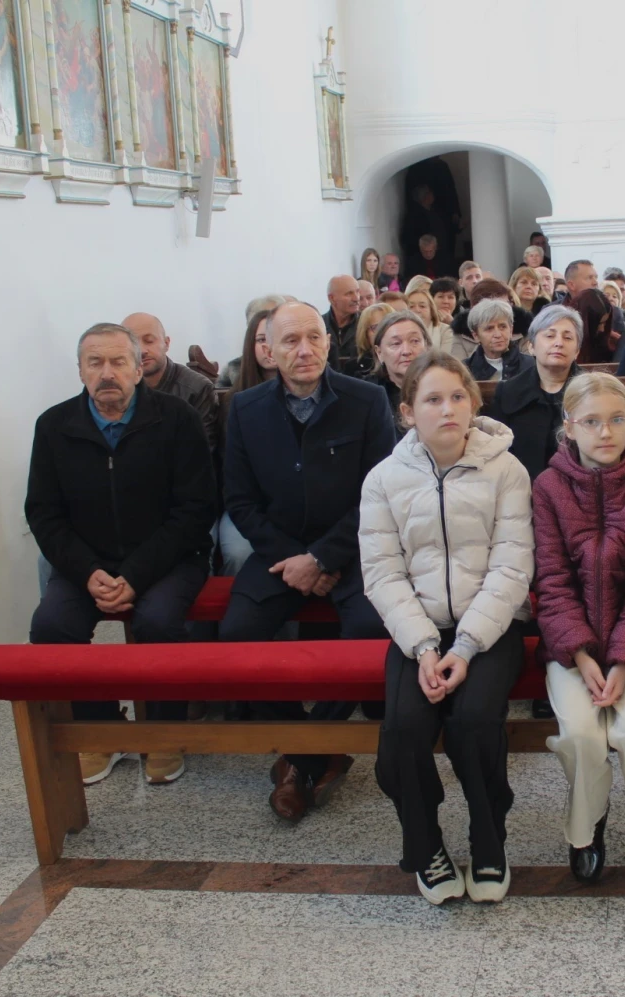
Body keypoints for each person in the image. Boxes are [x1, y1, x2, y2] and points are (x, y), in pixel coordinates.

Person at [360, 352, 533, 905]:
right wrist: (425, 646)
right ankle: (426, 843)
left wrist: (465, 645)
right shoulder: (384, 479)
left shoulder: (506, 469)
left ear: (473, 404)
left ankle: (488, 838)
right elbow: (383, 572)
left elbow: (512, 566)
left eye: (458, 397)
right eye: (432, 399)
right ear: (409, 411)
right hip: (419, 632)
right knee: (404, 730)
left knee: (476, 720)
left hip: (491, 627)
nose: (448, 408)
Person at [220, 302, 396, 823]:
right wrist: (293, 561)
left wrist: (322, 557)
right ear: (268, 350)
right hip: (278, 553)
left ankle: (303, 757)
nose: (304, 350)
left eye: (314, 338)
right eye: (290, 340)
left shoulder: (366, 401)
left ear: (329, 343)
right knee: (235, 637)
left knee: (368, 628)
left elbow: (378, 494)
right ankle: (316, 748)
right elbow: (239, 500)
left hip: (354, 549)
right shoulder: (245, 408)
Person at [27, 323, 215, 786]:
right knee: (51, 626)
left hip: (169, 558)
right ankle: (102, 728)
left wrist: (133, 574)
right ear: (80, 370)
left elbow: (195, 509)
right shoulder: (54, 426)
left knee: (157, 621)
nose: (107, 373)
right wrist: (88, 572)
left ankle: (165, 733)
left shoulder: (175, 419)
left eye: (117, 362)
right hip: (85, 563)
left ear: (138, 367)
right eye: (95, 363)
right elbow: (44, 514)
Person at [532, 373, 625, 883]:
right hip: (571, 648)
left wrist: (622, 659)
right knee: (582, 734)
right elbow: (551, 581)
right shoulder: (547, 487)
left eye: (617, 419)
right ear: (568, 427)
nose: (606, 432)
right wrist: (583, 656)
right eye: (591, 421)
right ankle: (586, 826)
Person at [217, 309, 280, 576]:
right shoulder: (235, 401)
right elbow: (233, 474)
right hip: (247, 505)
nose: (269, 348)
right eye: (261, 339)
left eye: (277, 338)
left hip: (292, 506)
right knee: (238, 553)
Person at [486, 304, 582, 481]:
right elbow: (496, 452)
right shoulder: (508, 391)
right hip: (520, 488)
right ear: (531, 347)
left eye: (567, 337)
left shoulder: (591, 392)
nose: (558, 343)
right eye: (550, 335)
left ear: (577, 351)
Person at [123, 312, 218, 451]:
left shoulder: (196, 388)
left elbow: (202, 453)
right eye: (133, 344)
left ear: (166, 343)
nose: (142, 351)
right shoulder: (120, 388)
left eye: (149, 341)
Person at [365, 311, 431, 436]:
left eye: (415, 341)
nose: (406, 351)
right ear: (379, 353)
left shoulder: (443, 385)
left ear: (426, 346)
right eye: (396, 343)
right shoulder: (367, 394)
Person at [465, 298, 534, 382]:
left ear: (511, 330)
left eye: (503, 327)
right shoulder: (465, 369)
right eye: (489, 329)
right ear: (476, 335)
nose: (498, 335)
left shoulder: (531, 365)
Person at [345, 302, 395, 378]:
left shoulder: (406, 359)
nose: (382, 331)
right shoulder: (353, 368)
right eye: (375, 327)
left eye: (386, 325)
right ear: (365, 333)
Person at [323, 275, 361, 371]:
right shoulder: (319, 325)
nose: (356, 298)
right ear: (332, 298)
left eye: (357, 292)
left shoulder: (366, 323)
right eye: (349, 294)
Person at [570, 287, 616, 363]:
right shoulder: (566, 344)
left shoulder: (613, 342)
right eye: (598, 324)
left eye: (605, 323)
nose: (602, 329)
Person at [405, 285, 455, 354]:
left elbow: (444, 360)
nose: (417, 310)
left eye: (422, 306)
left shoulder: (445, 331)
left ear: (431, 310)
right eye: (411, 306)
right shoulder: (399, 332)